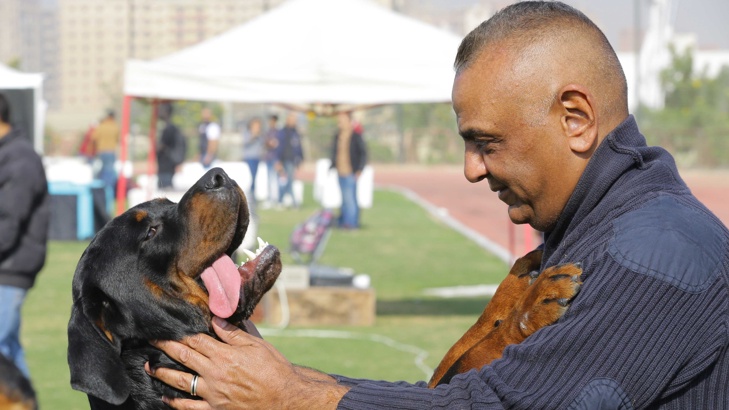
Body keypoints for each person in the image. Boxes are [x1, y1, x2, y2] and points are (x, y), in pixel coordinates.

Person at [146, 2, 729, 408]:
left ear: (575, 119)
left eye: (486, 142)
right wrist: (283, 382)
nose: (472, 169)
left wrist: (292, 397)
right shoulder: (600, 229)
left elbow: (502, 407)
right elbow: (449, 399)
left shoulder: (657, 250)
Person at [0, 93, 50, 381]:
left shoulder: (19, 159)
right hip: (8, 265)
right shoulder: (9, 154)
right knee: (10, 352)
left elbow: (8, 224)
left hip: (10, 268)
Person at [330, 111, 368, 229]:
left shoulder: (355, 135)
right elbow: (334, 152)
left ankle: (351, 224)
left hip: (350, 172)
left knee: (350, 199)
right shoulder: (338, 135)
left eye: (342, 120)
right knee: (344, 200)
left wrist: (359, 169)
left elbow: (363, 153)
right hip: (340, 171)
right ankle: (343, 221)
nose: (339, 123)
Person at [274, 112, 304, 208]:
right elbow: (279, 147)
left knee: (289, 181)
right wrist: (278, 160)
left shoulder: (295, 132)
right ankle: (293, 202)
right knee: (287, 181)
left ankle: (281, 200)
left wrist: (301, 158)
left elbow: (298, 147)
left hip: (292, 160)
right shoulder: (282, 132)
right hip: (284, 159)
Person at [156, 103, 186, 189]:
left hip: (166, 165)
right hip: (167, 165)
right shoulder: (170, 128)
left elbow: (162, 145)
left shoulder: (169, 129)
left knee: (165, 190)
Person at [91, 109, 120, 197]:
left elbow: (93, 138)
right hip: (111, 152)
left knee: (102, 171)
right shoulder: (115, 126)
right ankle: (109, 192)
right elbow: (118, 139)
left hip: (101, 152)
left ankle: (101, 190)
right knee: (110, 172)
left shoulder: (101, 126)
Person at [241, 117, 265, 200]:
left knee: (254, 176)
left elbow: (263, 145)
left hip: (257, 157)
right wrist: (253, 135)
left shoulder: (260, 135)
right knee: (251, 176)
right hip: (249, 157)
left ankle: (252, 194)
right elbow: (245, 143)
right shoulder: (247, 133)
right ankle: (250, 194)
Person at [263, 114, 280, 207]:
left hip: (275, 158)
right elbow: (265, 143)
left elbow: (279, 145)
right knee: (269, 179)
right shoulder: (267, 132)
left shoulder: (278, 132)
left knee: (276, 179)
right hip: (268, 158)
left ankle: (276, 199)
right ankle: (270, 199)